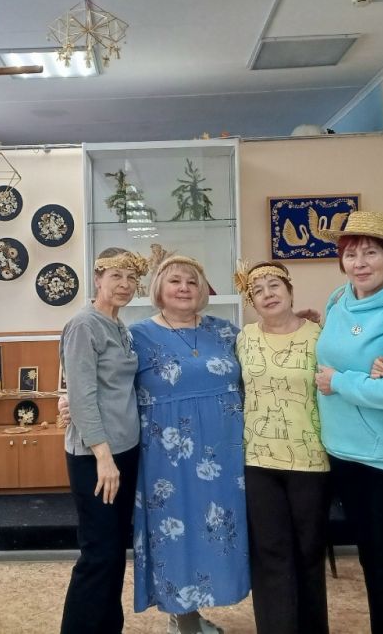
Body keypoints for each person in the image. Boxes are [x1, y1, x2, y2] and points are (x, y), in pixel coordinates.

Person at [314, 211, 383, 634]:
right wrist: (363, 376)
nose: (360, 263)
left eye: (371, 253)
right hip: (341, 451)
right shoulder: (337, 299)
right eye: (351, 254)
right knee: (368, 559)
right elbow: (330, 355)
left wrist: (341, 382)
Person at [131, 255, 249, 634]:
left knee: (216, 527)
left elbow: (261, 366)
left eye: (192, 282)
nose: (184, 288)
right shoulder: (137, 336)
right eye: (175, 281)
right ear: (159, 289)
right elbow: (108, 381)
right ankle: (182, 616)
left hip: (225, 452)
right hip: (168, 457)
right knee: (176, 532)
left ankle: (195, 610)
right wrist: (72, 401)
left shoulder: (226, 332)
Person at [234, 260, 330, 634]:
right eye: (257, 291)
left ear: (290, 290)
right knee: (270, 555)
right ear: (251, 302)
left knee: (308, 554)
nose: (267, 294)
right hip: (258, 460)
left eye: (274, 286)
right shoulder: (243, 338)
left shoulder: (319, 336)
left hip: (311, 460)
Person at [60, 247, 148, 634]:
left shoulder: (121, 327)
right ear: (98, 279)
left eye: (131, 277)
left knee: (114, 553)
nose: (124, 284)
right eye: (116, 276)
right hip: (97, 456)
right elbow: (81, 396)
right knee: (98, 554)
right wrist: (103, 456)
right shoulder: (84, 325)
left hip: (124, 451)